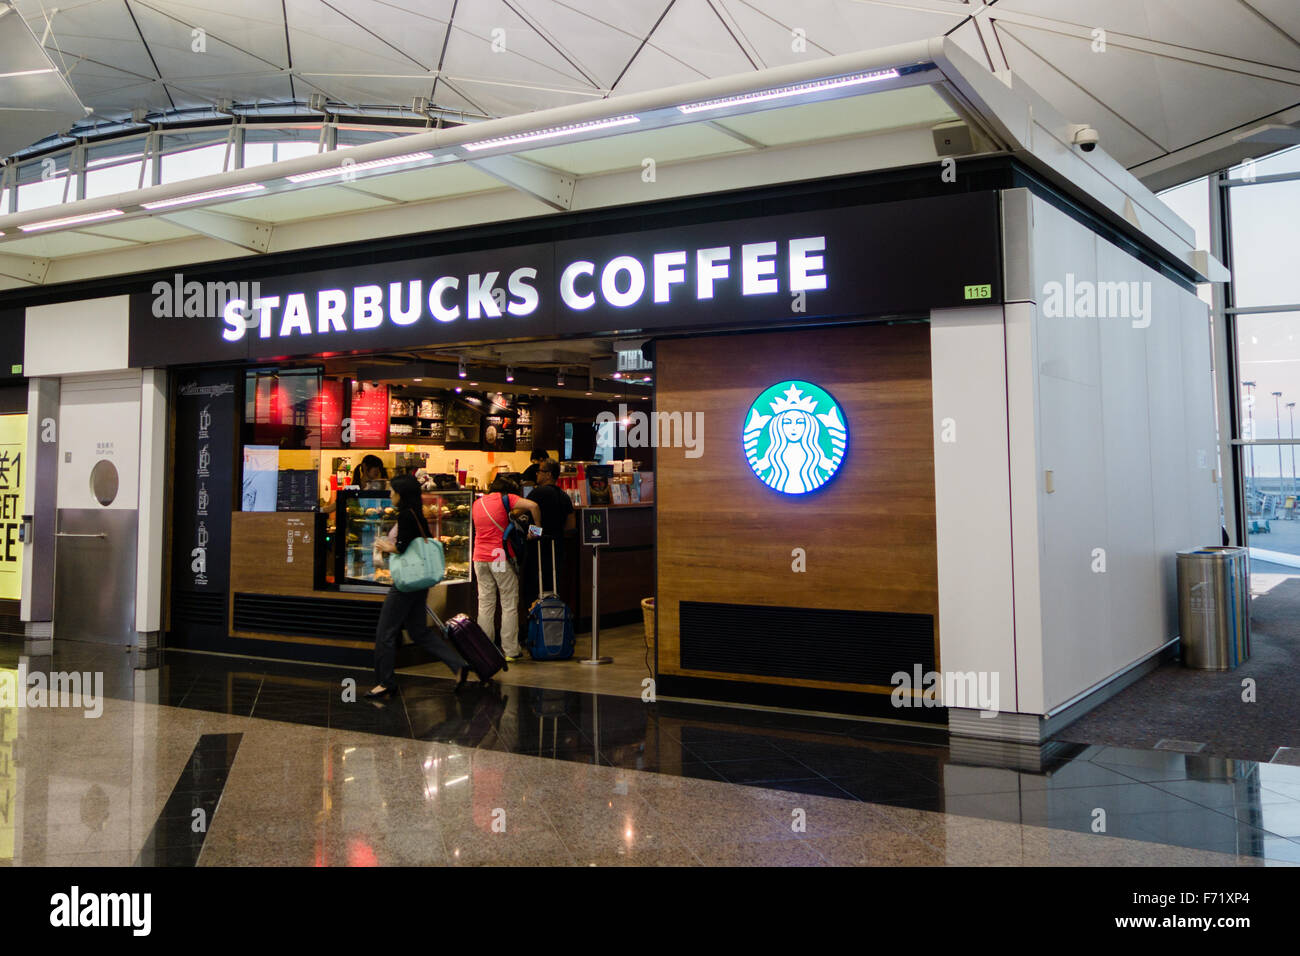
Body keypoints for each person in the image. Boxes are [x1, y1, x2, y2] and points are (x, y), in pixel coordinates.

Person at [366, 473, 472, 698]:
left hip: (405, 583)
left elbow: (402, 547)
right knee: (418, 631)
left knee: (385, 632)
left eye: (393, 491)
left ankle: (385, 682)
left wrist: (385, 546)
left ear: (401, 494)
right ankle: (458, 664)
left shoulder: (405, 515)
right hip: (420, 580)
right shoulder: (417, 514)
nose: (390, 494)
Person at [472, 476, 540, 662]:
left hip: (479, 557)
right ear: (508, 490)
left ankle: (484, 650)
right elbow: (533, 506)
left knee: (485, 603)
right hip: (499, 556)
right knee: (509, 603)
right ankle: (510, 650)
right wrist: (536, 531)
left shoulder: (477, 503)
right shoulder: (506, 499)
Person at [520, 459, 575, 634]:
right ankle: (553, 630)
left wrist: (535, 533)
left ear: (549, 474)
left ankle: (533, 630)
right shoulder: (564, 496)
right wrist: (554, 531)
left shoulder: (537, 493)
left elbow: (518, 512)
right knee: (554, 586)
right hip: (557, 548)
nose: (537, 474)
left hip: (537, 549)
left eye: (540, 471)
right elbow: (570, 525)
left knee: (533, 588)